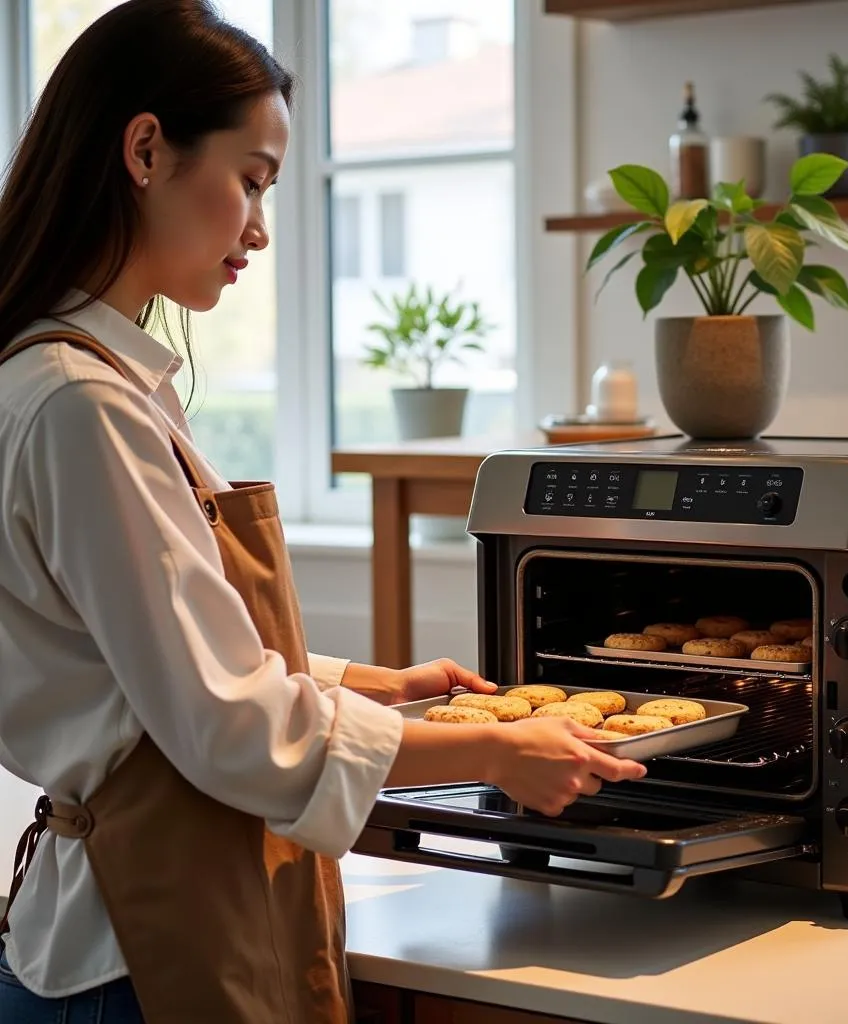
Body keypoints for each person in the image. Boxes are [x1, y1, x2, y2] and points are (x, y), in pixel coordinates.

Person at [0, 2, 646, 1021]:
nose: (259, 228)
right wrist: (490, 751)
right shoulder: (81, 405)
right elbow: (223, 720)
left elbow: (149, 659)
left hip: (136, 924)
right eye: (251, 181)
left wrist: (363, 681)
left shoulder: (87, 382)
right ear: (144, 148)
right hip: (129, 946)